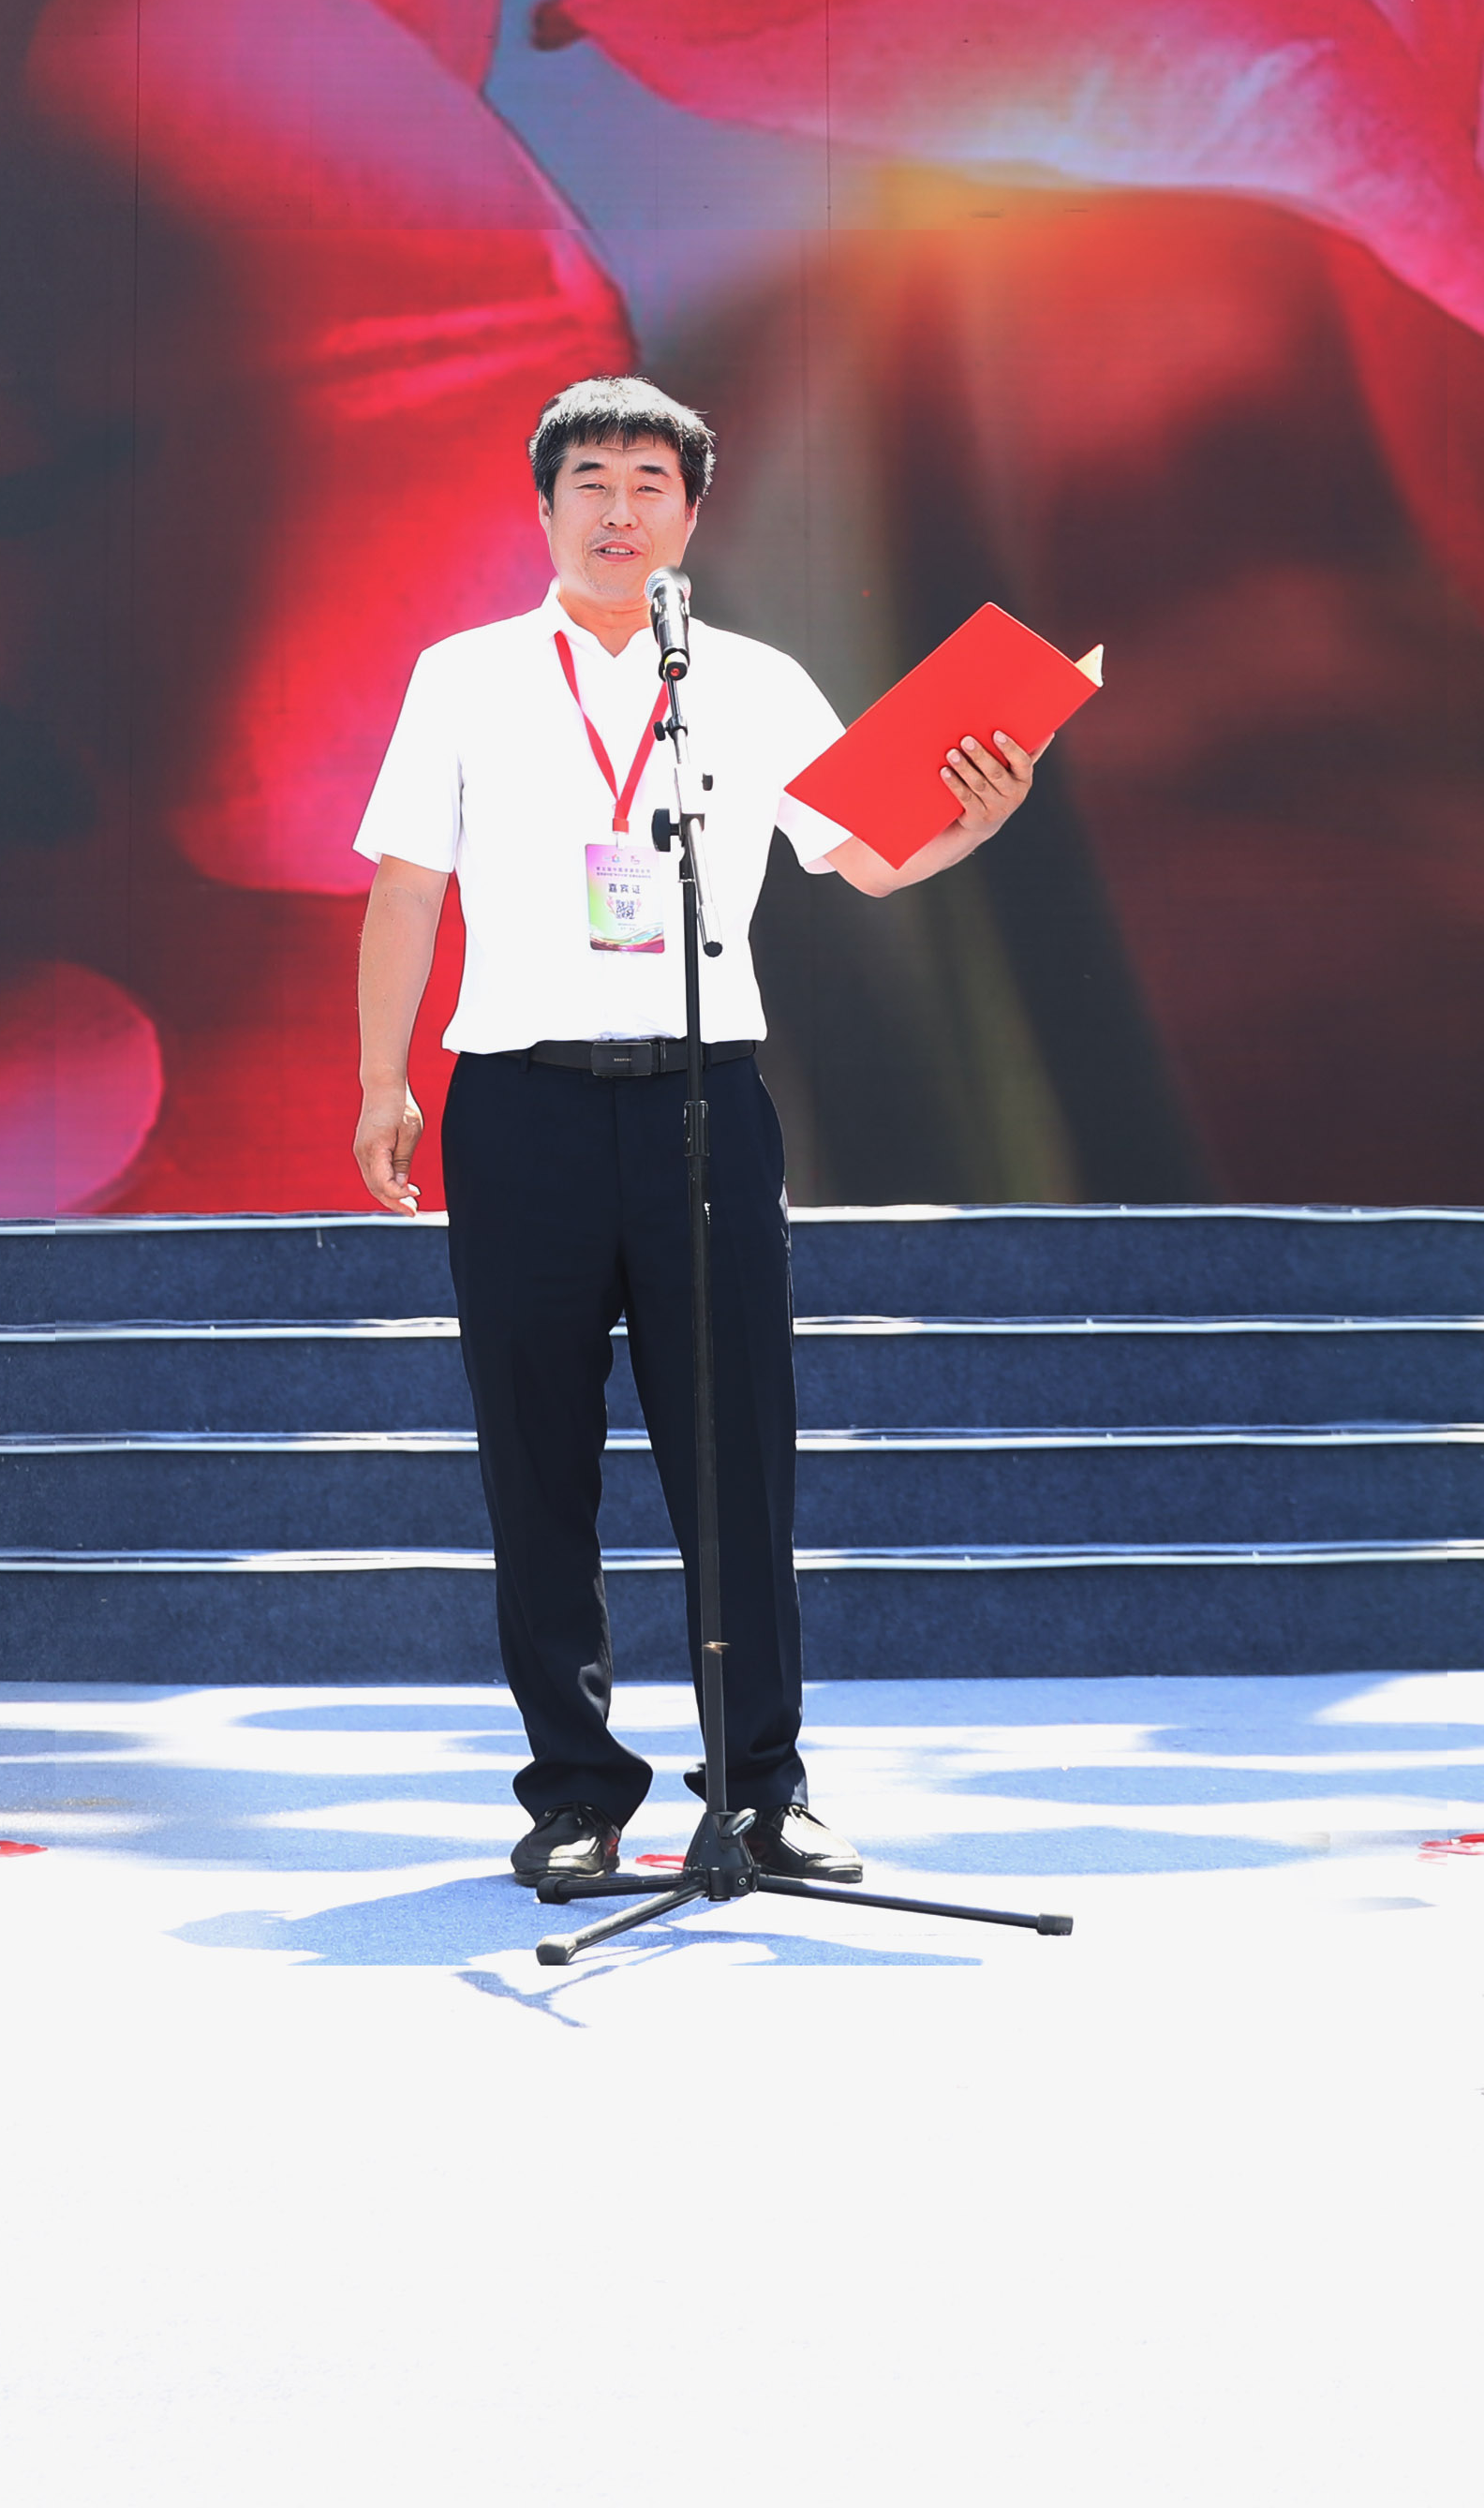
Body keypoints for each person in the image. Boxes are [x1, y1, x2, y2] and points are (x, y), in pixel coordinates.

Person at [348, 375, 1050, 1905]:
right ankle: (575, 1793)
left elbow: (864, 857)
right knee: (536, 1459)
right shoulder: (463, 676)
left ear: (691, 513)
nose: (619, 511)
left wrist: (979, 822)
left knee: (737, 1453)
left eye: (649, 485)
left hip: (703, 1103)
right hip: (518, 1102)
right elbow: (408, 886)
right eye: (590, 483)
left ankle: (762, 1789)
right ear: (545, 508)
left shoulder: (755, 681)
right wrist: (381, 1078)